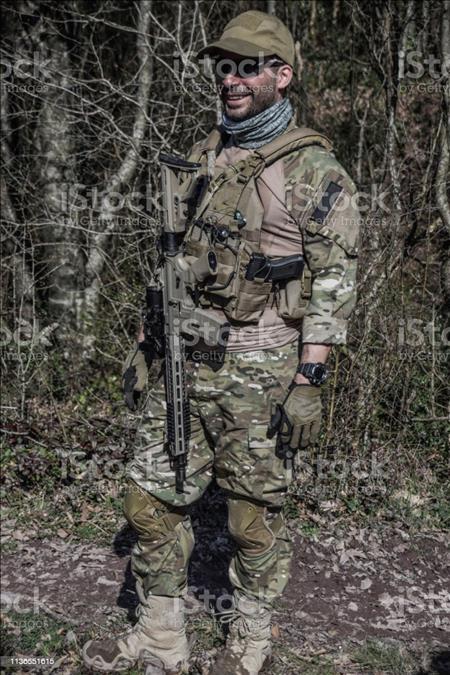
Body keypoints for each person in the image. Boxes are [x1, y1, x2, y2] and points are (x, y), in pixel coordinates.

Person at [83, 9, 360, 675]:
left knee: (251, 519)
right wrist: (148, 341)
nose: (231, 80)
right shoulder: (205, 155)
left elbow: (335, 279)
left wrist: (310, 380)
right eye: (224, 67)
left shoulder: (315, 170)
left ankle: (250, 640)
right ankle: (161, 634)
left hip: (262, 368)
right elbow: (173, 259)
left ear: (282, 76)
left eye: (247, 68)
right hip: (185, 360)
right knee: (147, 498)